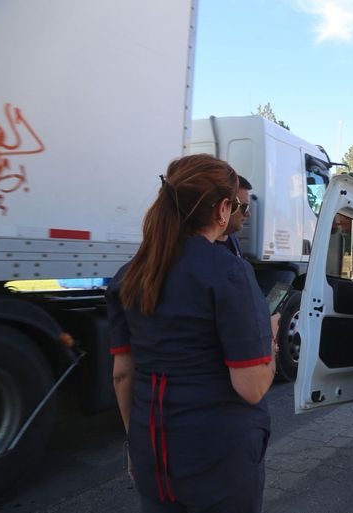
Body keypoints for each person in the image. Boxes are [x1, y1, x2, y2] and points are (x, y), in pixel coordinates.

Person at [107, 154, 278, 513]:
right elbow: (252, 387)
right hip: (218, 455)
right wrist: (271, 337)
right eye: (236, 207)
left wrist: (136, 445)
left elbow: (123, 374)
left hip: (151, 446)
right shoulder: (230, 272)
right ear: (222, 209)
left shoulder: (131, 274)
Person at [216, 175, 252, 257]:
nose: (248, 214)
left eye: (248, 207)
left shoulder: (232, 239)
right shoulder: (198, 247)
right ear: (224, 206)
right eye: (244, 207)